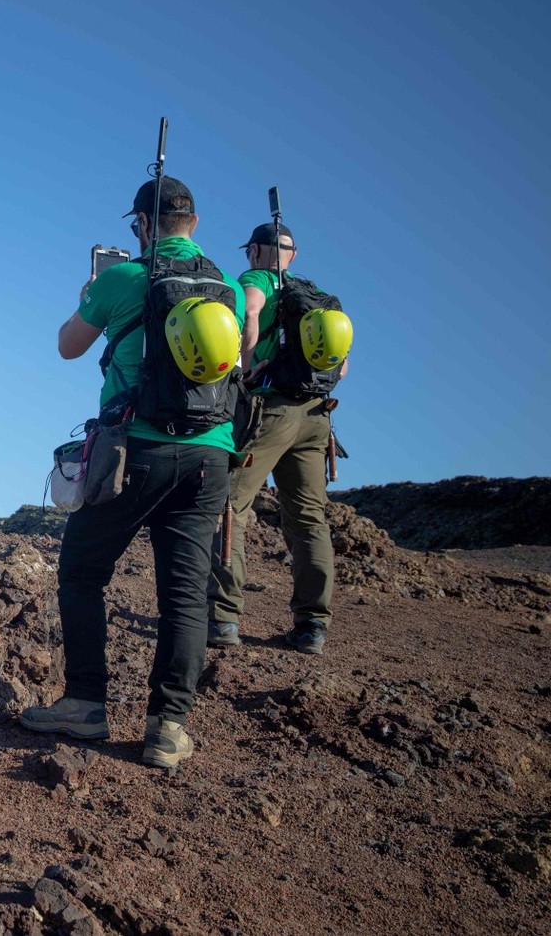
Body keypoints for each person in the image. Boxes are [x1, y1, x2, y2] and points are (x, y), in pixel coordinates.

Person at [20, 176, 245, 769]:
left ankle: (86, 705)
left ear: (143, 225)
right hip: (210, 457)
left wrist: (91, 290)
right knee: (184, 594)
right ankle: (167, 729)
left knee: (82, 571)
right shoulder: (227, 290)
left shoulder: (122, 279)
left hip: (134, 454)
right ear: (193, 223)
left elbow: (69, 345)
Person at [206, 222, 345, 655]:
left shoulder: (257, 280)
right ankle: (312, 627)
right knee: (308, 518)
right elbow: (341, 367)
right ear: (293, 255)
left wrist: (243, 366)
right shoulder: (318, 297)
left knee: (231, 505)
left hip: (270, 411)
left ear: (256, 252)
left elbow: (249, 311)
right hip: (317, 416)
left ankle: (223, 617)